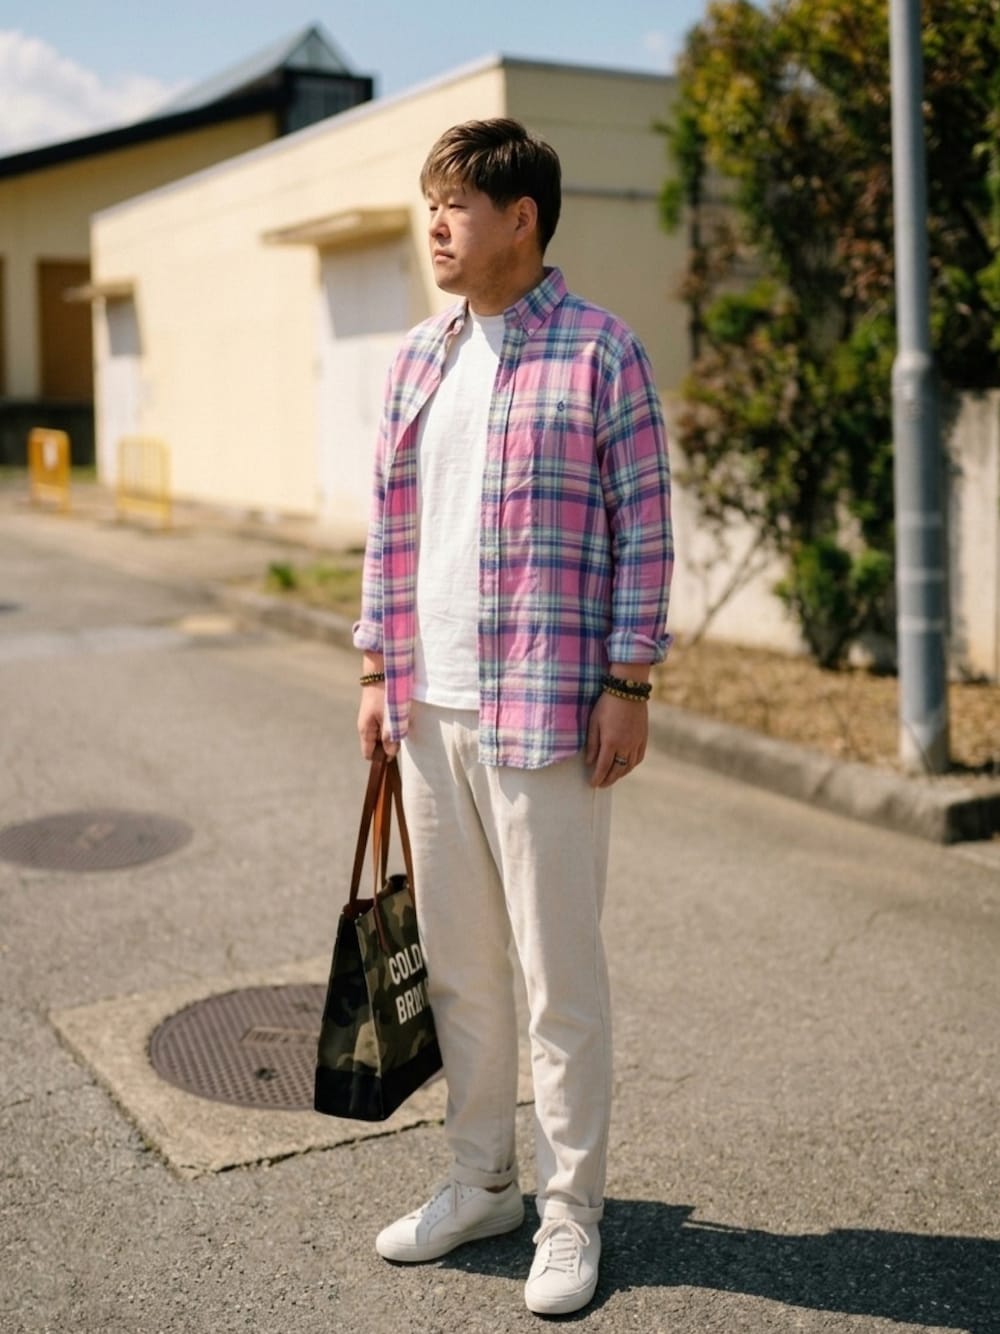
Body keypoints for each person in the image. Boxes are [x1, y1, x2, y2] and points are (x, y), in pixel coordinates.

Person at [354, 117, 672, 1317]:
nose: (434, 226)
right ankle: (481, 1181)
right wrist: (375, 673)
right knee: (461, 974)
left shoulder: (600, 350)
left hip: (545, 712)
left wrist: (629, 682)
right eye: (429, 204)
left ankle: (571, 1207)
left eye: (455, 205)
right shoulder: (416, 359)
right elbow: (388, 528)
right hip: (427, 707)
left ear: (521, 217)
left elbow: (645, 528)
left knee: (557, 976)